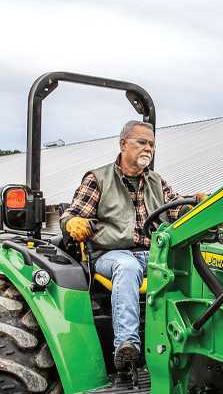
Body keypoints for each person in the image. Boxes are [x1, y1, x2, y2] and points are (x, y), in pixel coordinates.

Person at [60, 120, 202, 376]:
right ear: (123, 144)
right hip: (111, 255)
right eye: (142, 142)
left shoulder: (157, 182)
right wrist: (72, 222)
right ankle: (127, 346)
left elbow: (176, 208)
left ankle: (194, 343)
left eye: (152, 145)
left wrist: (195, 205)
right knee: (127, 266)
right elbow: (72, 215)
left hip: (153, 253)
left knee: (191, 263)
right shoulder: (98, 179)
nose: (148, 148)